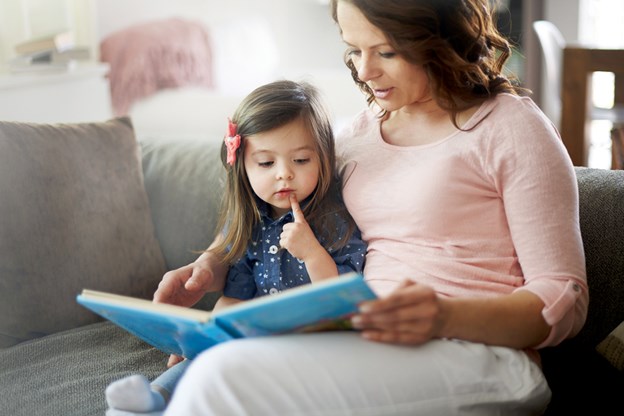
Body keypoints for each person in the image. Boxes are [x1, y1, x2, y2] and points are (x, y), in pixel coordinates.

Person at [158, 1, 589, 414]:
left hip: (479, 356)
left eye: (386, 51)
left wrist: (442, 316)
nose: (364, 71)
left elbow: (564, 299)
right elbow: (270, 213)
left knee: (225, 378)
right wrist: (213, 264)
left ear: (441, 37)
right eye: (354, 49)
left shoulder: (511, 128)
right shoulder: (355, 137)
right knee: (218, 364)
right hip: (359, 337)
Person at [104, 80, 367, 416]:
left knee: (227, 375)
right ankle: (154, 396)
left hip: (309, 345)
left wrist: (312, 253)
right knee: (198, 360)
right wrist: (205, 337)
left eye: (301, 160)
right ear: (242, 165)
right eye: (266, 163)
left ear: (323, 159)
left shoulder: (335, 220)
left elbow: (345, 300)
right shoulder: (250, 220)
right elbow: (234, 295)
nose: (285, 174)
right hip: (252, 339)